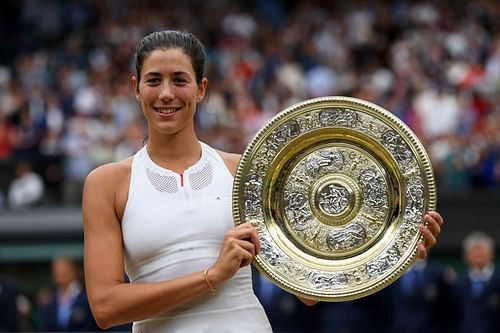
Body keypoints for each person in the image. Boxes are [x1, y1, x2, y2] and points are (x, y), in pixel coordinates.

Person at [82, 29, 445, 333]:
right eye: (153, 80)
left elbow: (308, 290)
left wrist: (392, 252)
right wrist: (212, 276)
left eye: (179, 80)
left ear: (201, 89)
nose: (166, 94)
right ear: (135, 87)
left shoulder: (244, 172)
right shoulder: (108, 184)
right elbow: (105, 306)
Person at [454, 231, 500, 333]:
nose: (478, 254)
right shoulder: (458, 283)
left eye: (482, 250)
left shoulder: (498, 280)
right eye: (474, 250)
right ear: (466, 256)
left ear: (491, 254)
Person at [41, 255, 101, 332]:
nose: (58, 271)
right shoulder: (51, 303)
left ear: (74, 270)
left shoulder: (87, 299)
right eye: (55, 268)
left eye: (63, 267)